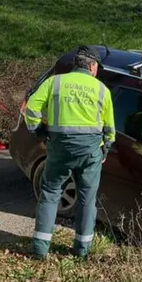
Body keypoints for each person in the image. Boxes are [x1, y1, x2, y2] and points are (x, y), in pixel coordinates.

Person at [23, 46, 115, 259]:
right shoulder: (102, 90)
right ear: (92, 67)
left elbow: (31, 109)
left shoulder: (54, 83)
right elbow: (109, 128)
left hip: (60, 148)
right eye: (97, 68)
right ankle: (82, 250)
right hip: (90, 152)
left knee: (50, 194)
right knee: (86, 199)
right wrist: (106, 149)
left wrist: (40, 132)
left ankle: (39, 249)